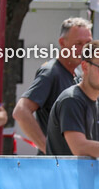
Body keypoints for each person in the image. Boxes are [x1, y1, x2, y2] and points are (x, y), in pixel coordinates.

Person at [14, 17, 93, 152]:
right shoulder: (51, 72)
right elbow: (21, 112)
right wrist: (49, 150)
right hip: (56, 166)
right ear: (62, 43)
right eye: (78, 43)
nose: (84, 49)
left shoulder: (78, 74)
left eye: (88, 43)